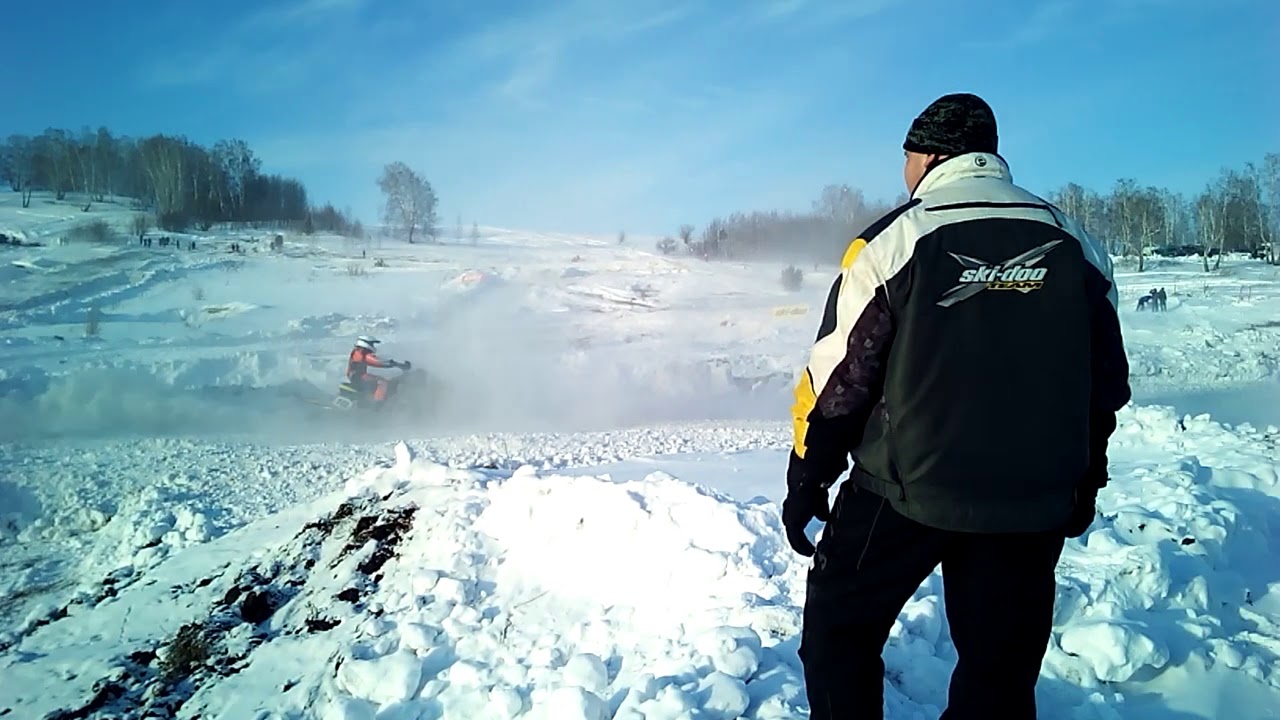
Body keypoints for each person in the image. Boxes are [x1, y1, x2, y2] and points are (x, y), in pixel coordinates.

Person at [782, 92, 1131, 719]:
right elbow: (1104, 382)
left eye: (907, 157)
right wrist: (1086, 475)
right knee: (999, 668)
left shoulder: (896, 239)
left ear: (932, 156)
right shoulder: (1075, 242)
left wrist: (808, 476)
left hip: (904, 489)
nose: (905, 172)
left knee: (838, 630)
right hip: (1031, 498)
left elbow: (838, 378)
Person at [346, 335, 410, 404]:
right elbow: (376, 362)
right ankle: (378, 403)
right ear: (365, 343)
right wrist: (395, 364)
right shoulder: (359, 353)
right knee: (381, 382)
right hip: (357, 376)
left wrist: (394, 363)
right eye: (371, 344)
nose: (373, 346)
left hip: (358, 375)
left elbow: (376, 360)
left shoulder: (360, 352)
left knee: (382, 378)